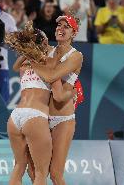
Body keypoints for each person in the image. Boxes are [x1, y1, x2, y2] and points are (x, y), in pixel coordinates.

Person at [7, 30, 76, 185]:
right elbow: (58, 96)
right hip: (34, 116)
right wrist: (72, 92)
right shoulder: (51, 64)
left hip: (15, 116)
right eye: (46, 40)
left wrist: (28, 51)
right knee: (41, 173)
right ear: (43, 43)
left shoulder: (24, 65)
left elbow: (14, 66)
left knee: (19, 166)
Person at [29, 14, 83, 185]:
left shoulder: (76, 56)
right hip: (43, 117)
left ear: (74, 33)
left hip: (63, 119)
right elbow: (20, 67)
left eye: (66, 26)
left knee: (55, 174)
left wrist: (33, 61)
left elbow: (51, 75)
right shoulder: (49, 51)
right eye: (58, 25)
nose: (60, 29)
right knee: (35, 171)